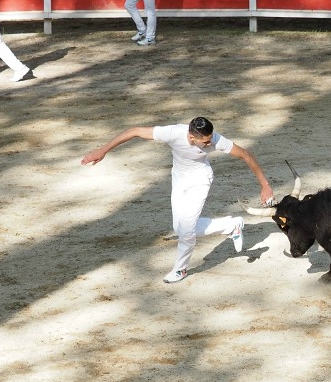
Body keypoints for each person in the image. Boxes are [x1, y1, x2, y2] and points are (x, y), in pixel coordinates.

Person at [80, 117, 276, 284]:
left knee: (187, 230)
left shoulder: (216, 139)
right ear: (191, 137)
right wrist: (103, 150)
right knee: (180, 229)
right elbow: (135, 131)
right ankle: (231, 225)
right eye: (205, 142)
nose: (210, 145)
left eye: (210, 141)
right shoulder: (173, 133)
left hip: (200, 180)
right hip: (179, 180)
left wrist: (265, 185)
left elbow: (245, 155)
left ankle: (181, 269)